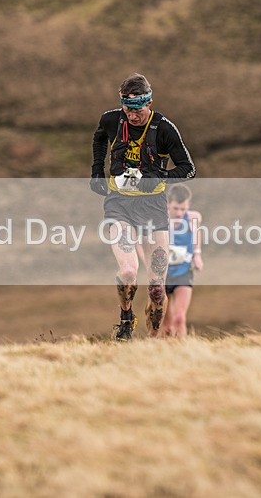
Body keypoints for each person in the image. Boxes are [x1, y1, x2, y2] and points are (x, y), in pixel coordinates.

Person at [90, 73, 196, 341]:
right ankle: (126, 321)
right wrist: (96, 170)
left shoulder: (165, 129)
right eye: (128, 109)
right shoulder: (112, 120)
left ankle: (153, 342)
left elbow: (188, 168)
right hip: (119, 203)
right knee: (127, 271)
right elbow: (100, 137)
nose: (132, 116)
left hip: (153, 208)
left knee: (157, 287)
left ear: (149, 103)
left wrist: (160, 177)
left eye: (137, 110)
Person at [137, 183, 203, 338]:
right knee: (166, 327)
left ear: (188, 205)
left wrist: (197, 254)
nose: (180, 213)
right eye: (176, 208)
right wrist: (147, 262)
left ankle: (184, 353)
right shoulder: (157, 220)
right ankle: (166, 355)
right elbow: (139, 241)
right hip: (163, 277)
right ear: (167, 204)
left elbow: (196, 235)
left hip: (183, 273)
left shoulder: (193, 218)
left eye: (183, 209)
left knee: (179, 319)